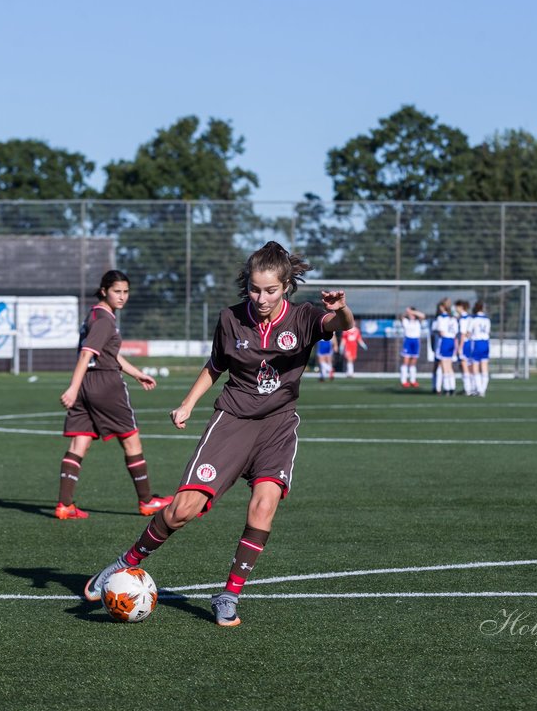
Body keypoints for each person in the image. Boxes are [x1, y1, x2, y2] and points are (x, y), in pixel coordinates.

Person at [81, 241, 353, 627]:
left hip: (278, 427)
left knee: (264, 505)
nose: (261, 297)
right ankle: (125, 563)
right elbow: (215, 366)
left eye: (271, 290)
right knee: (182, 510)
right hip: (232, 422)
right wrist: (188, 404)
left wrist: (340, 308)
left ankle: (229, 594)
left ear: (287, 286)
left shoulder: (306, 317)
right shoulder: (230, 318)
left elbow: (341, 325)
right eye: (255, 289)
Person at [56, 270, 173, 520]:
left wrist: (136, 373)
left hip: (87, 385)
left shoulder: (96, 314)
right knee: (131, 441)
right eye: (117, 292)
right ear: (104, 291)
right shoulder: (105, 320)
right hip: (105, 384)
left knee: (79, 442)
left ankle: (65, 505)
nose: (122, 297)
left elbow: (110, 353)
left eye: (126, 292)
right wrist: (71, 388)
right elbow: (87, 355)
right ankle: (147, 501)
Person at [432, 298, 459, 395]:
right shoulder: (453, 318)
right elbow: (455, 332)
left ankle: (447, 388)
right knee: (449, 366)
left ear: (442, 307)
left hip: (444, 341)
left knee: (444, 366)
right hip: (452, 341)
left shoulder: (441, 318)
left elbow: (441, 332)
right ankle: (452, 387)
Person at [467, 301, 492, 396]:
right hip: (485, 343)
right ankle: (483, 389)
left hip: (476, 343)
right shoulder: (487, 320)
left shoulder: (473, 319)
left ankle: (479, 389)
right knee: (484, 366)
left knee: (475, 367)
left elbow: (468, 333)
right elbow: (488, 332)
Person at [398, 306, 424, 388]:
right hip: (408, 341)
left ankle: (413, 380)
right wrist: (407, 312)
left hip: (416, 341)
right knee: (406, 361)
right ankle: (404, 381)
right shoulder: (406, 321)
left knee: (413, 362)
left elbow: (423, 315)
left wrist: (412, 311)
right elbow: (401, 317)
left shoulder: (418, 321)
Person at [455, 300, 472, 395]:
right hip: (468, 343)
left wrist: (460, 347)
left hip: (464, 344)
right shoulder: (469, 317)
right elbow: (469, 333)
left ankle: (467, 388)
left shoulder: (463, 319)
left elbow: (462, 334)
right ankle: (469, 387)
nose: (456, 309)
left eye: (457, 307)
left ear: (461, 307)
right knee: (466, 366)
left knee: (464, 366)